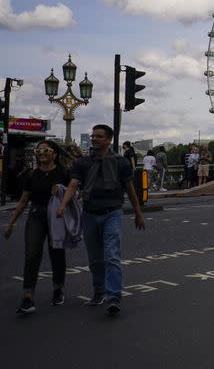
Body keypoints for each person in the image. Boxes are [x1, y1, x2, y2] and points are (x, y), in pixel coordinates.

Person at [60, 124, 145, 315]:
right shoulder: (82, 162)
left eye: (99, 136)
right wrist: (63, 204)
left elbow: (130, 189)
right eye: (93, 136)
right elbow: (73, 185)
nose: (94, 138)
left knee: (112, 255)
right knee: (95, 259)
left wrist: (138, 213)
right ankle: (99, 290)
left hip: (112, 213)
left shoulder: (121, 162)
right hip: (89, 213)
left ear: (109, 140)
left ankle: (113, 296)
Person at [3, 140, 71, 315]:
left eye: (45, 150)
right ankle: (27, 296)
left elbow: (75, 193)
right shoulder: (32, 175)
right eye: (38, 150)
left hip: (56, 216)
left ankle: (58, 289)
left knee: (56, 252)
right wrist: (11, 223)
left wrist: (62, 190)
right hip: (36, 215)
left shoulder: (63, 172)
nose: (41, 153)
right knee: (32, 254)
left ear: (54, 154)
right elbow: (23, 201)